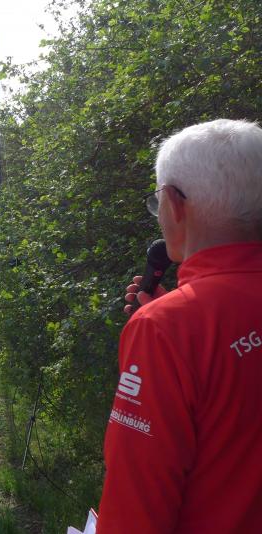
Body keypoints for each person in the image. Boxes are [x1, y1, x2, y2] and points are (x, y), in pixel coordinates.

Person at [97, 119, 262, 533]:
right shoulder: (176, 326)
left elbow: (134, 511)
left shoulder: (163, 330)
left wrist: (175, 326)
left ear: (173, 202)